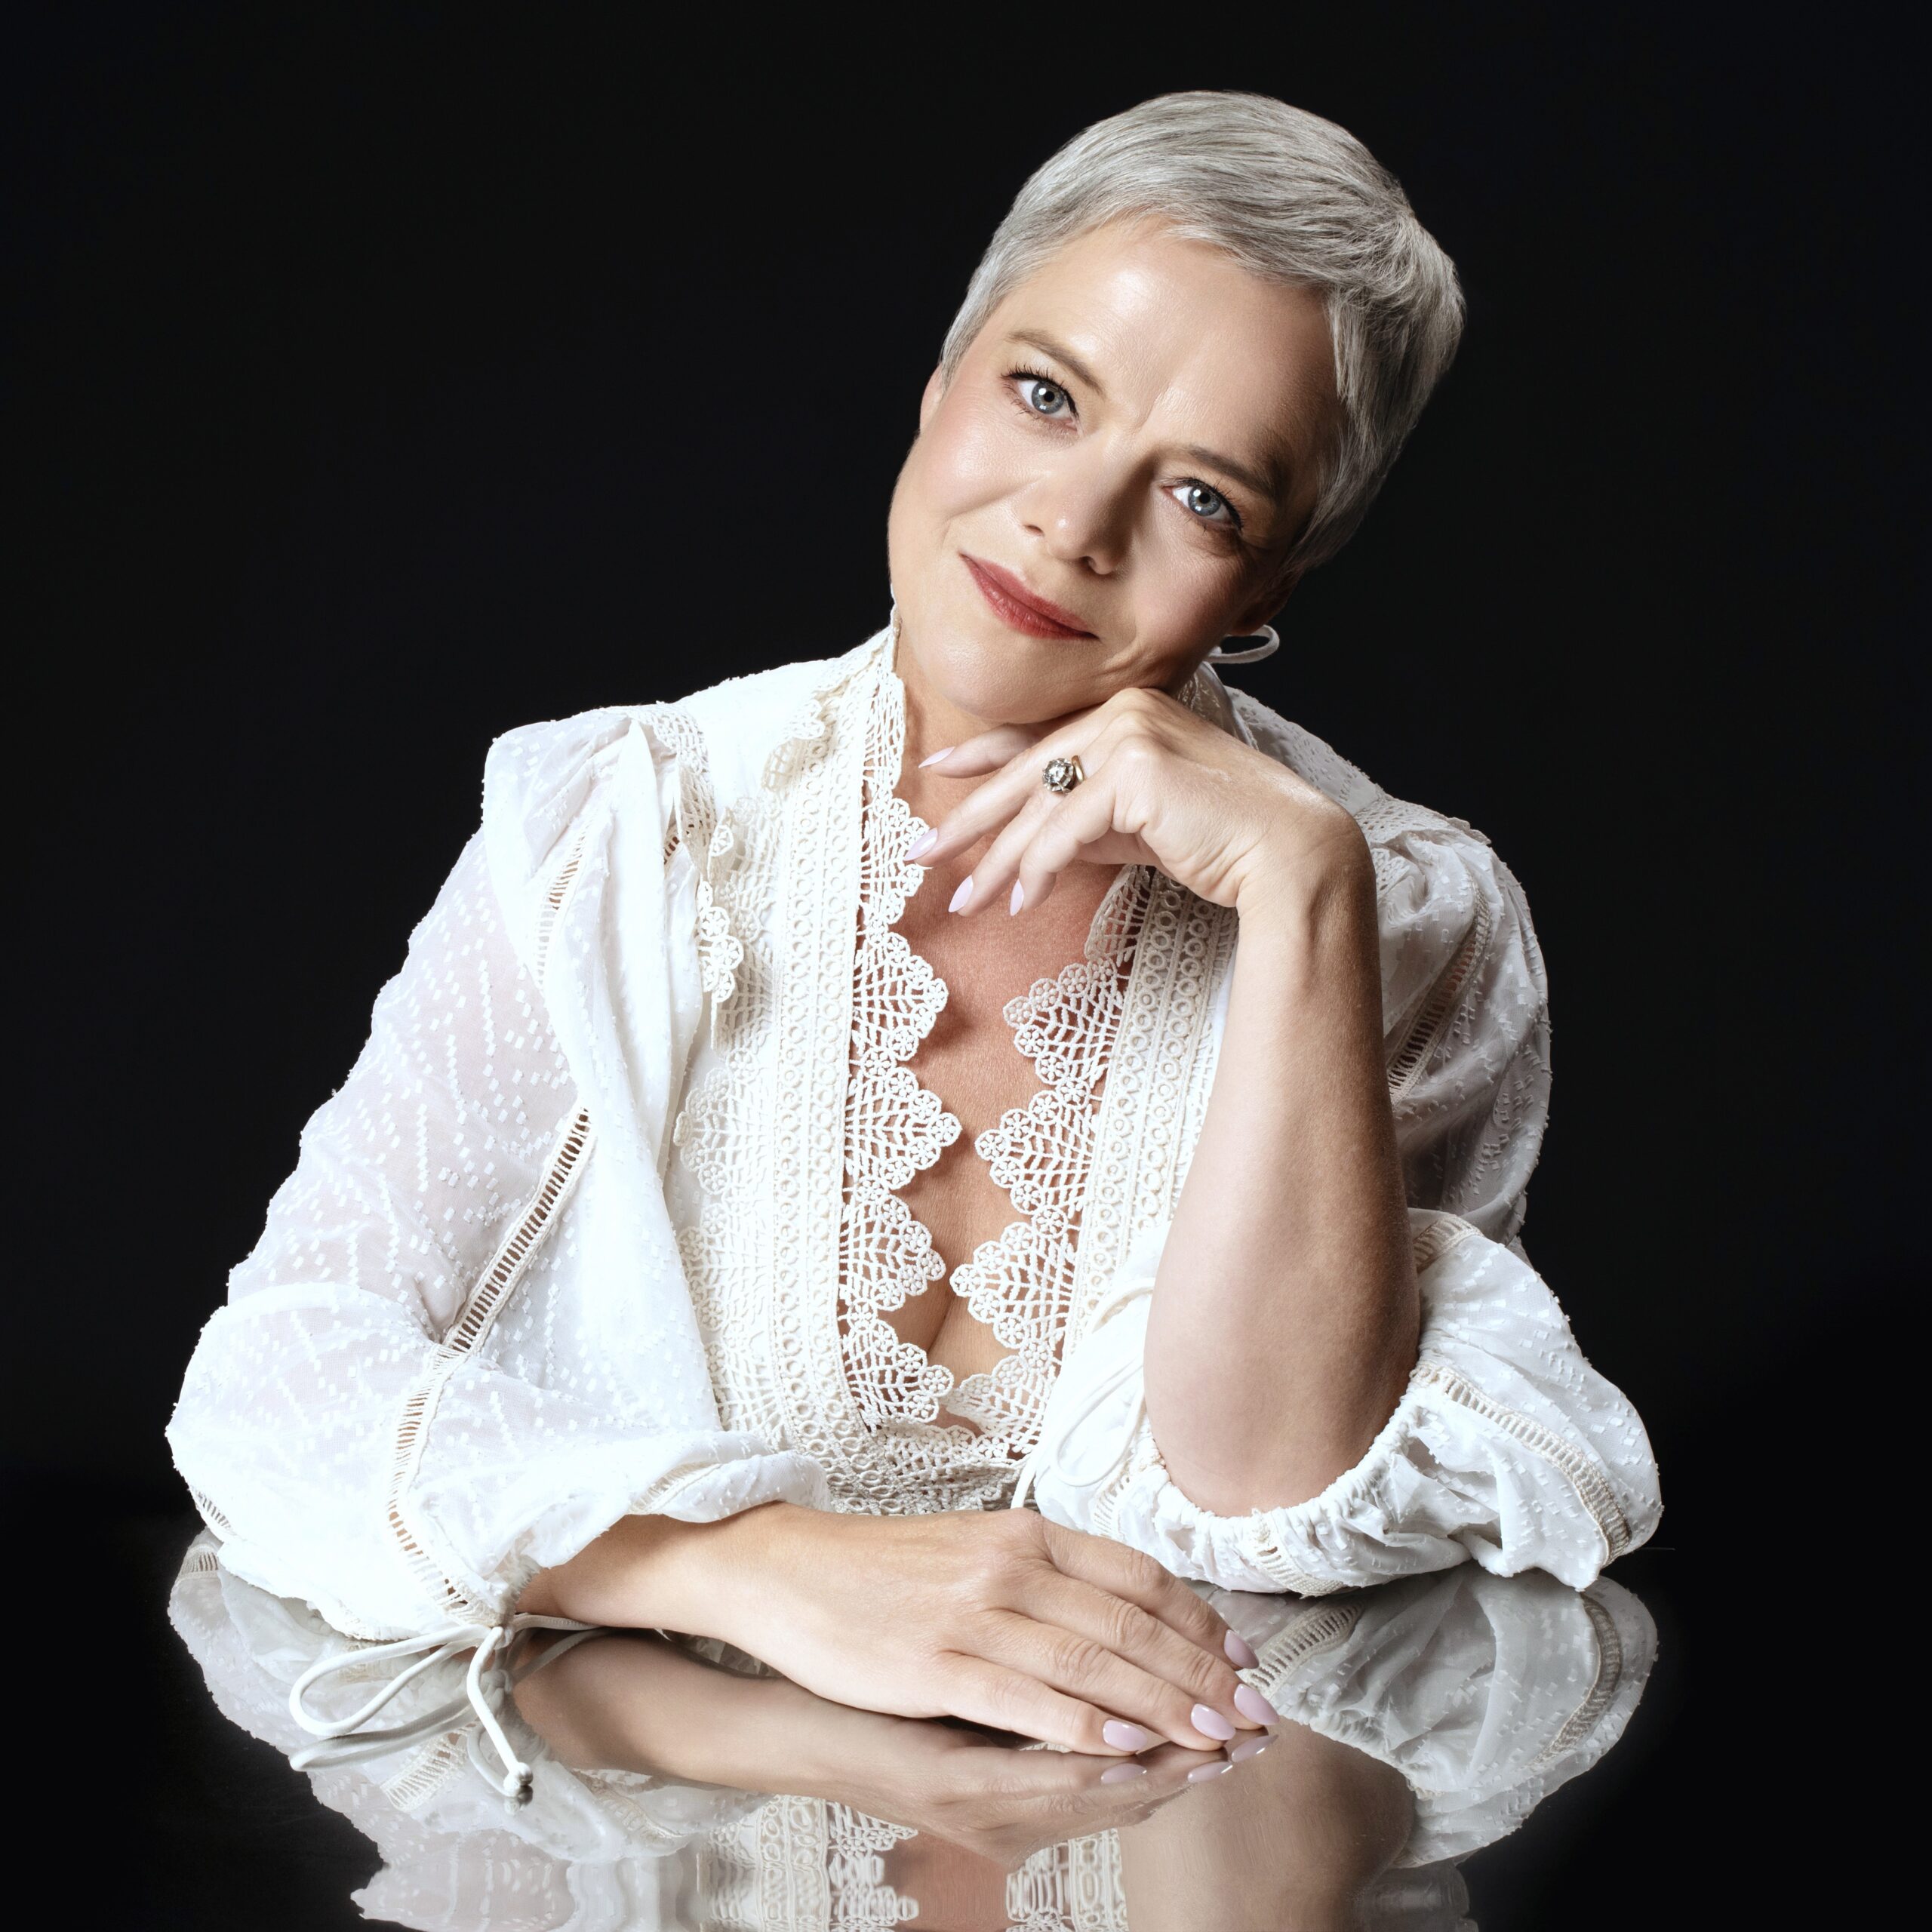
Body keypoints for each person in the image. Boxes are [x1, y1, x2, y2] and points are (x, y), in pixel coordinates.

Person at [167, 91, 1661, 1788]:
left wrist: (1305, 897)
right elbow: (276, 1378)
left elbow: (1271, 1495)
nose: (1068, 526)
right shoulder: (628, 825)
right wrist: (745, 1564)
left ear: (1273, 588)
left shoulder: (1403, 914)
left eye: (1200, 497)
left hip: (1189, 1847)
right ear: (937, 382)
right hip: (657, 1823)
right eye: (1042, 395)